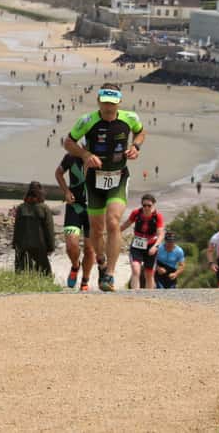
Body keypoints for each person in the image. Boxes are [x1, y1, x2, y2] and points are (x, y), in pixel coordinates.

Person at [64, 83, 145, 291]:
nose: (109, 108)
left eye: (113, 104)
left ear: (119, 102)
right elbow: (68, 142)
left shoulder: (130, 118)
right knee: (97, 230)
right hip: (94, 180)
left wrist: (135, 146)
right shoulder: (87, 121)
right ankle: (100, 260)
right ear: (99, 101)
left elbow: (141, 132)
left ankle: (109, 274)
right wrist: (85, 155)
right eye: (105, 103)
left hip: (118, 177)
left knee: (113, 221)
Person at [55, 154, 96, 290]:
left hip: (93, 209)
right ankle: (75, 266)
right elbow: (59, 173)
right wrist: (66, 191)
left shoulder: (99, 158)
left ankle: (85, 281)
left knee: (90, 249)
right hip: (74, 207)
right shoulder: (71, 157)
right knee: (71, 245)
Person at [119, 194, 164, 290]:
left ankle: (149, 296)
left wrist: (155, 247)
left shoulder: (158, 217)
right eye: (144, 205)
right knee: (136, 270)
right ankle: (135, 294)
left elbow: (161, 235)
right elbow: (126, 224)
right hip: (137, 245)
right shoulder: (136, 213)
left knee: (149, 274)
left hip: (151, 246)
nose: (146, 208)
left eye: (149, 205)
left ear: (153, 205)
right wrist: (115, 232)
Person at [11, 181, 55, 276]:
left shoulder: (21, 208)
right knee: (45, 274)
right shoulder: (44, 208)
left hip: (22, 245)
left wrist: (15, 245)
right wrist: (51, 247)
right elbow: (49, 229)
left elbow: (17, 228)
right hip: (40, 246)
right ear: (41, 193)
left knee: (21, 272)